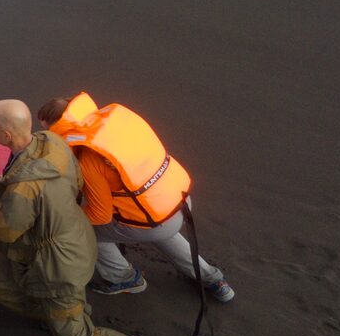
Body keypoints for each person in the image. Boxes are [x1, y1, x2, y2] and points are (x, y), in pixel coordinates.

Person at [0, 99, 168, 336]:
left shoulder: (23, 190)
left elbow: (6, 228)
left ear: (4, 134)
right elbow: (77, 181)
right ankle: (57, 314)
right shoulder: (52, 143)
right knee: (6, 291)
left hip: (58, 265)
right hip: (74, 235)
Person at [39, 94, 235, 302]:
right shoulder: (113, 125)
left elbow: (100, 215)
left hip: (154, 221)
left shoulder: (88, 159)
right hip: (177, 201)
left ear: (61, 130)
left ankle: (124, 277)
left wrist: (63, 220)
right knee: (162, 226)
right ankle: (214, 280)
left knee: (87, 231)